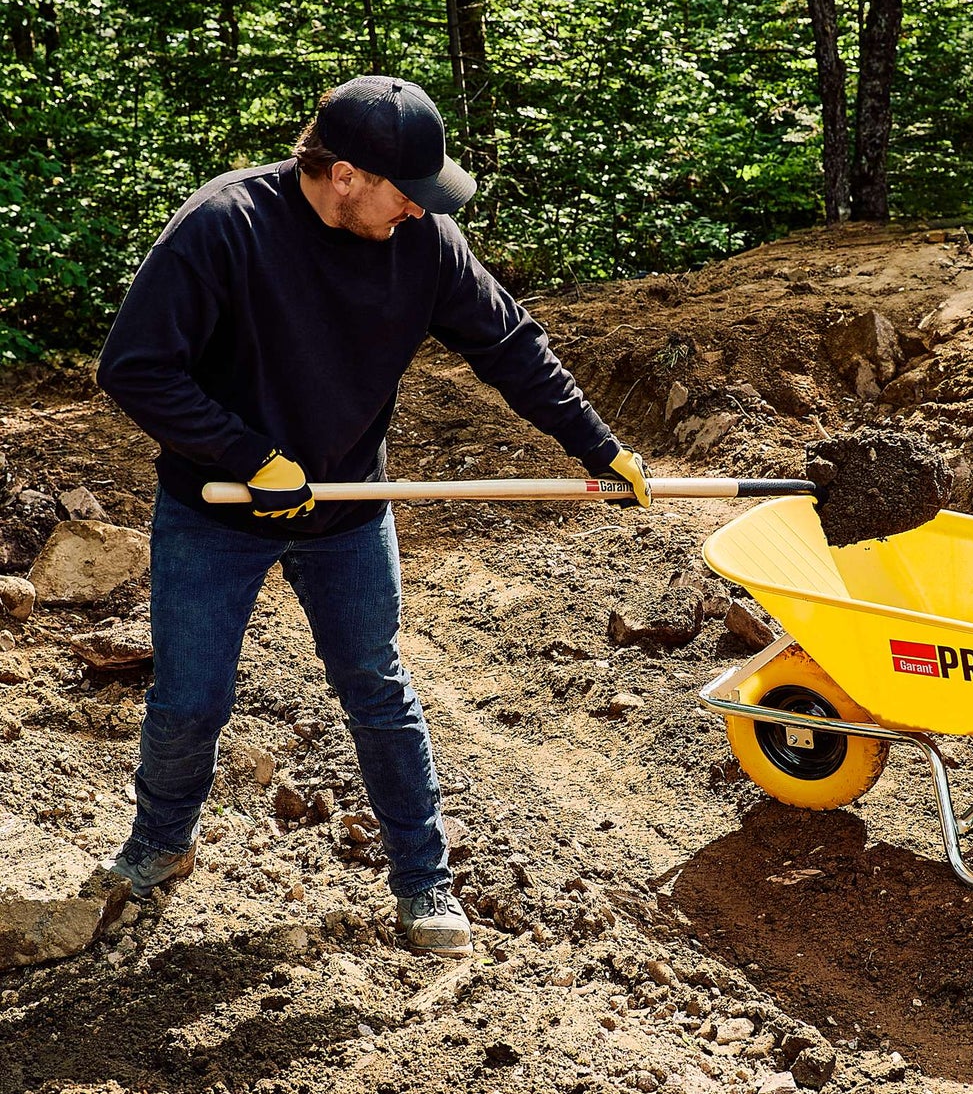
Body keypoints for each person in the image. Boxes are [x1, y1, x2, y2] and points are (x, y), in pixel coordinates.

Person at [96, 75, 652, 958]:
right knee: (190, 698)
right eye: (405, 192)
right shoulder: (224, 226)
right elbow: (134, 367)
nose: (419, 212)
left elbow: (507, 343)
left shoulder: (424, 242)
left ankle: (423, 881)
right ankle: (161, 844)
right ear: (344, 173)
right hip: (217, 508)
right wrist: (250, 456)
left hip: (349, 505)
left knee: (378, 691)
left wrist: (597, 445)